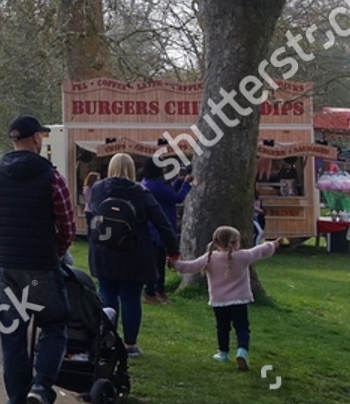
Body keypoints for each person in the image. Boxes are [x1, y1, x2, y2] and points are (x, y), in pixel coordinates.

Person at [0, 115, 74, 404]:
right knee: (54, 324)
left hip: (5, 266)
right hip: (41, 267)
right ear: (36, 139)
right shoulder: (51, 177)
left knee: (12, 336)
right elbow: (67, 225)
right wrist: (57, 251)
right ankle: (41, 387)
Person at [86, 153, 179, 357]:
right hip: (134, 253)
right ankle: (130, 345)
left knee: (107, 294)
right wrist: (173, 251)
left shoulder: (98, 189)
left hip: (104, 251)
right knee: (130, 298)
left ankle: (107, 340)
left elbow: (91, 216)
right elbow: (161, 222)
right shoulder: (141, 192)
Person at [174, 226, 285, 370]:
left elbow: (190, 266)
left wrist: (175, 263)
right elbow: (261, 251)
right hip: (240, 300)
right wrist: (274, 244)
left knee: (222, 327)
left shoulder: (210, 257)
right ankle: (242, 351)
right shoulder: (243, 256)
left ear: (216, 242)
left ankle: (223, 353)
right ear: (236, 242)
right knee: (242, 328)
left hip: (219, 302)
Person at [140, 159, 191, 304]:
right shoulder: (155, 185)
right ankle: (152, 292)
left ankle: (158, 291)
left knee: (159, 262)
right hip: (157, 230)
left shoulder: (149, 182)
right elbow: (176, 197)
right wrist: (187, 183)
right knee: (157, 263)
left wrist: (180, 181)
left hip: (156, 229)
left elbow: (169, 192)